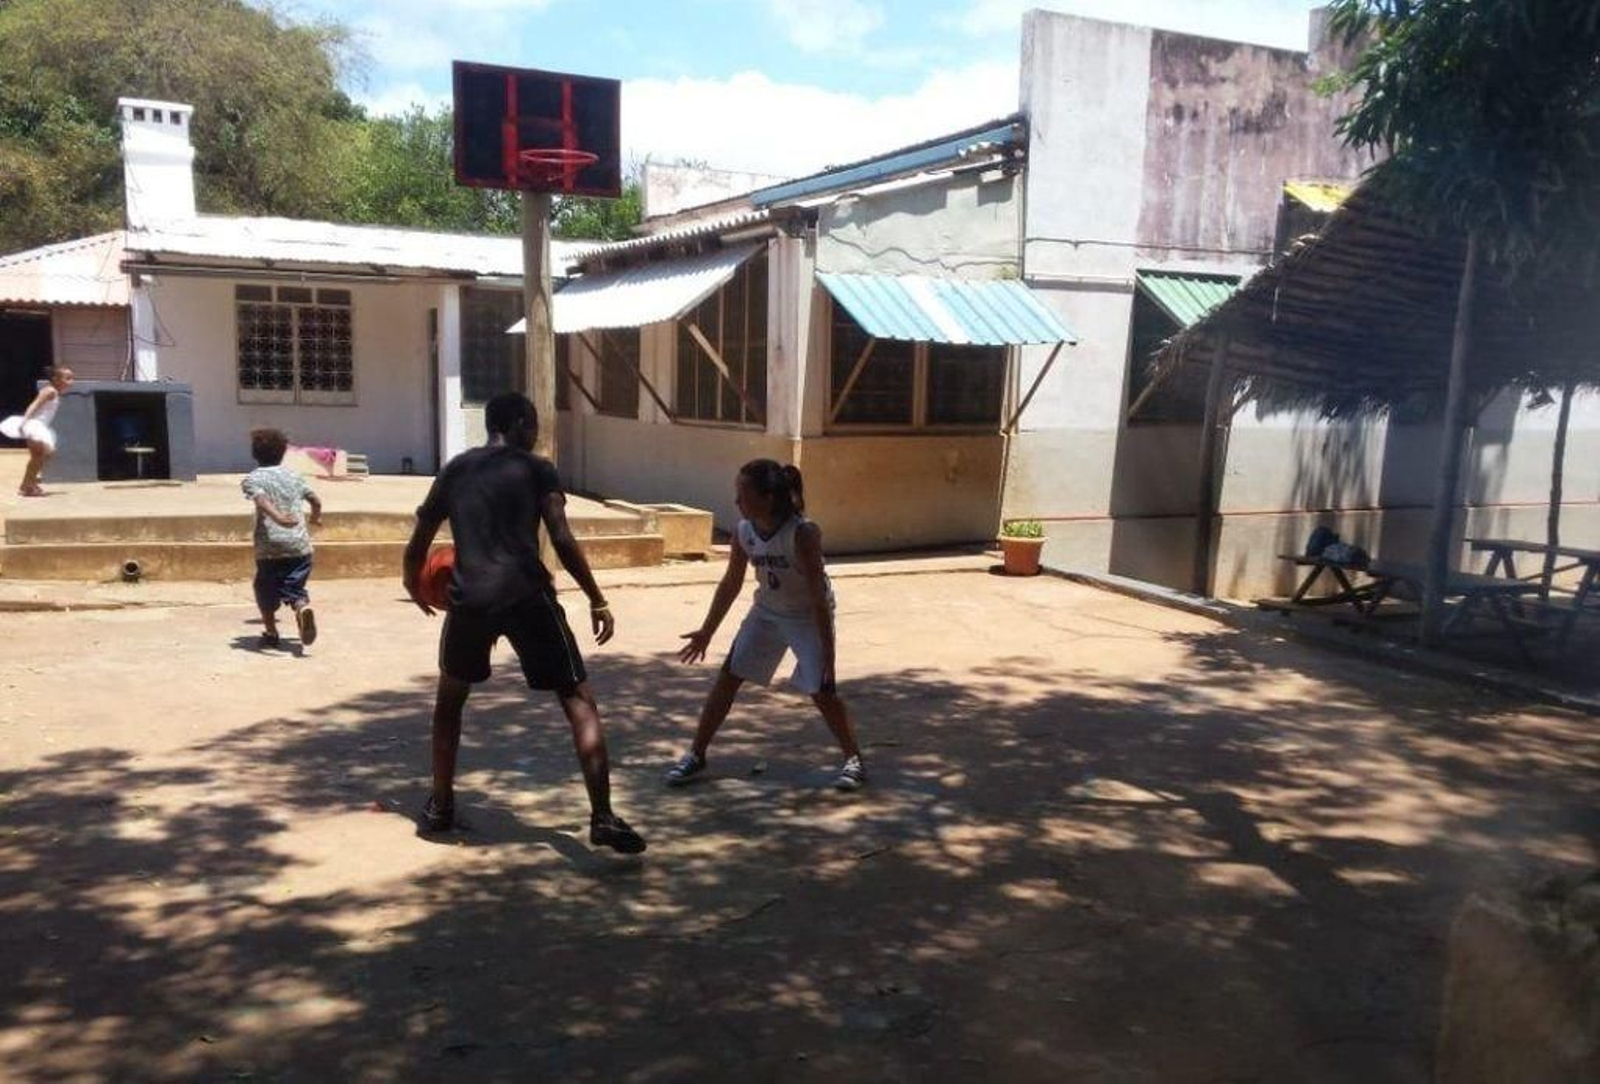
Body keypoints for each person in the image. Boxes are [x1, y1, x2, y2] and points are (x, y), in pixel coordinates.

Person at [402, 390, 645, 854]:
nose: (536, 436)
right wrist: (596, 597)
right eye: (533, 426)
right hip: (527, 594)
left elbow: (419, 539)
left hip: (470, 598)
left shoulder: (456, 469)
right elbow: (562, 536)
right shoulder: (537, 470)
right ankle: (603, 817)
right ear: (516, 423)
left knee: (450, 699)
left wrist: (413, 584)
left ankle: (441, 804)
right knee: (578, 699)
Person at [668, 459, 865, 791]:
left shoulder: (802, 533)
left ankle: (854, 760)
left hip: (807, 615)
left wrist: (828, 656)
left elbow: (819, 598)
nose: (736, 503)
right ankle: (696, 754)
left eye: (743, 495)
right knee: (728, 678)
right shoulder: (744, 531)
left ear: (768, 498)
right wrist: (707, 631)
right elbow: (731, 583)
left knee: (822, 689)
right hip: (768, 612)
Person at [242, 427, 322, 649]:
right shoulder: (294, 476)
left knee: (264, 590)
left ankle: (271, 632)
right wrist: (315, 518)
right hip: (300, 546)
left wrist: (277, 518)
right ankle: (300, 606)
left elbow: (260, 500)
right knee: (294, 586)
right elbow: (315, 500)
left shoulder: (252, 478)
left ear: (254, 454)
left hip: (269, 548)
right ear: (283, 453)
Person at [1, 366, 73, 497]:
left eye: (71, 378)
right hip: (35, 426)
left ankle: (28, 484)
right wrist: (25, 421)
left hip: (39, 426)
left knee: (38, 456)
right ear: (56, 379)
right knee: (46, 453)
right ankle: (30, 483)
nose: (71, 382)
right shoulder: (50, 391)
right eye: (67, 378)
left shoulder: (53, 391)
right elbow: (34, 405)